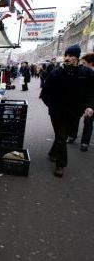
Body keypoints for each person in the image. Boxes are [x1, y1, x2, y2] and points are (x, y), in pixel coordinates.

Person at [40, 44, 94, 177]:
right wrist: (52, 106)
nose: (68, 58)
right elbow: (45, 93)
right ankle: (60, 165)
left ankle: (53, 152)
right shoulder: (56, 72)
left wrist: (89, 106)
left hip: (75, 112)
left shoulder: (86, 73)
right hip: (57, 112)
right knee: (60, 135)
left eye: (71, 56)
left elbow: (91, 92)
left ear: (77, 58)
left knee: (61, 136)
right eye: (67, 55)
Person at [67, 53, 94, 151]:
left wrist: (90, 106)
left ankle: (85, 143)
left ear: (91, 64)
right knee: (75, 118)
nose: (82, 65)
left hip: (91, 101)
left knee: (88, 121)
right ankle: (72, 136)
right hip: (80, 100)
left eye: (84, 63)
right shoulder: (82, 71)